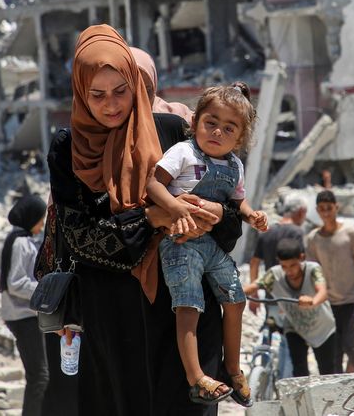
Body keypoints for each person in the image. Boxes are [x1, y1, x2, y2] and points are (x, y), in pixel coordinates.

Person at [39, 25, 243, 416]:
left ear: (136, 84)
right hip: (112, 317)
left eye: (121, 91)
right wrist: (152, 216)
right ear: (81, 92)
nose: (111, 105)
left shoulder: (174, 132)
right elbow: (81, 238)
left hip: (183, 305)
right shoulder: (67, 150)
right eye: (97, 95)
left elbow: (226, 212)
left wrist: (219, 214)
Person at [147, 81, 267, 407]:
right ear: (196, 121)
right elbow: (154, 185)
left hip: (210, 244)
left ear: (240, 138)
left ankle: (232, 367)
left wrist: (251, 215)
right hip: (181, 242)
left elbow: (237, 203)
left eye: (229, 128)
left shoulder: (235, 166)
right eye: (211, 123)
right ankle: (196, 376)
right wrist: (174, 207)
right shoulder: (183, 153)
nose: (217, 132)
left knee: (236, 297)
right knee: (189, 305)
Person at [244, 238, 338, 377]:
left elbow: (323, 292)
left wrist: (312, 301)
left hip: (322, 329)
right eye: (284, 266)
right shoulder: (274, 275)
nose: (289, 271)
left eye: (293, 265)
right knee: (299, 370)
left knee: (327, 372)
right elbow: (254, 286)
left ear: (302, 258)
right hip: (295, 327)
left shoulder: (312, 269)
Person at [304, 190, 354, 374]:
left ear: (336, 208)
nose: (326, 213)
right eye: (322, 209)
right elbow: (312, 273)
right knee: (334, 355)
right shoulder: (313, 239)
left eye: (329, 208)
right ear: (317, 210)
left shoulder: (350, 233)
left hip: (351, 301)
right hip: (327, 304)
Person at [0, 194, 49, 416]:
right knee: (39, 376)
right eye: (41, 219)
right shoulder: (19, 242)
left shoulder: (21, 239)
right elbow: (16, 282)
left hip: (25, 314)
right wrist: (44, 291)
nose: (42, 224)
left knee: (38, 375)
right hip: (22, 315)